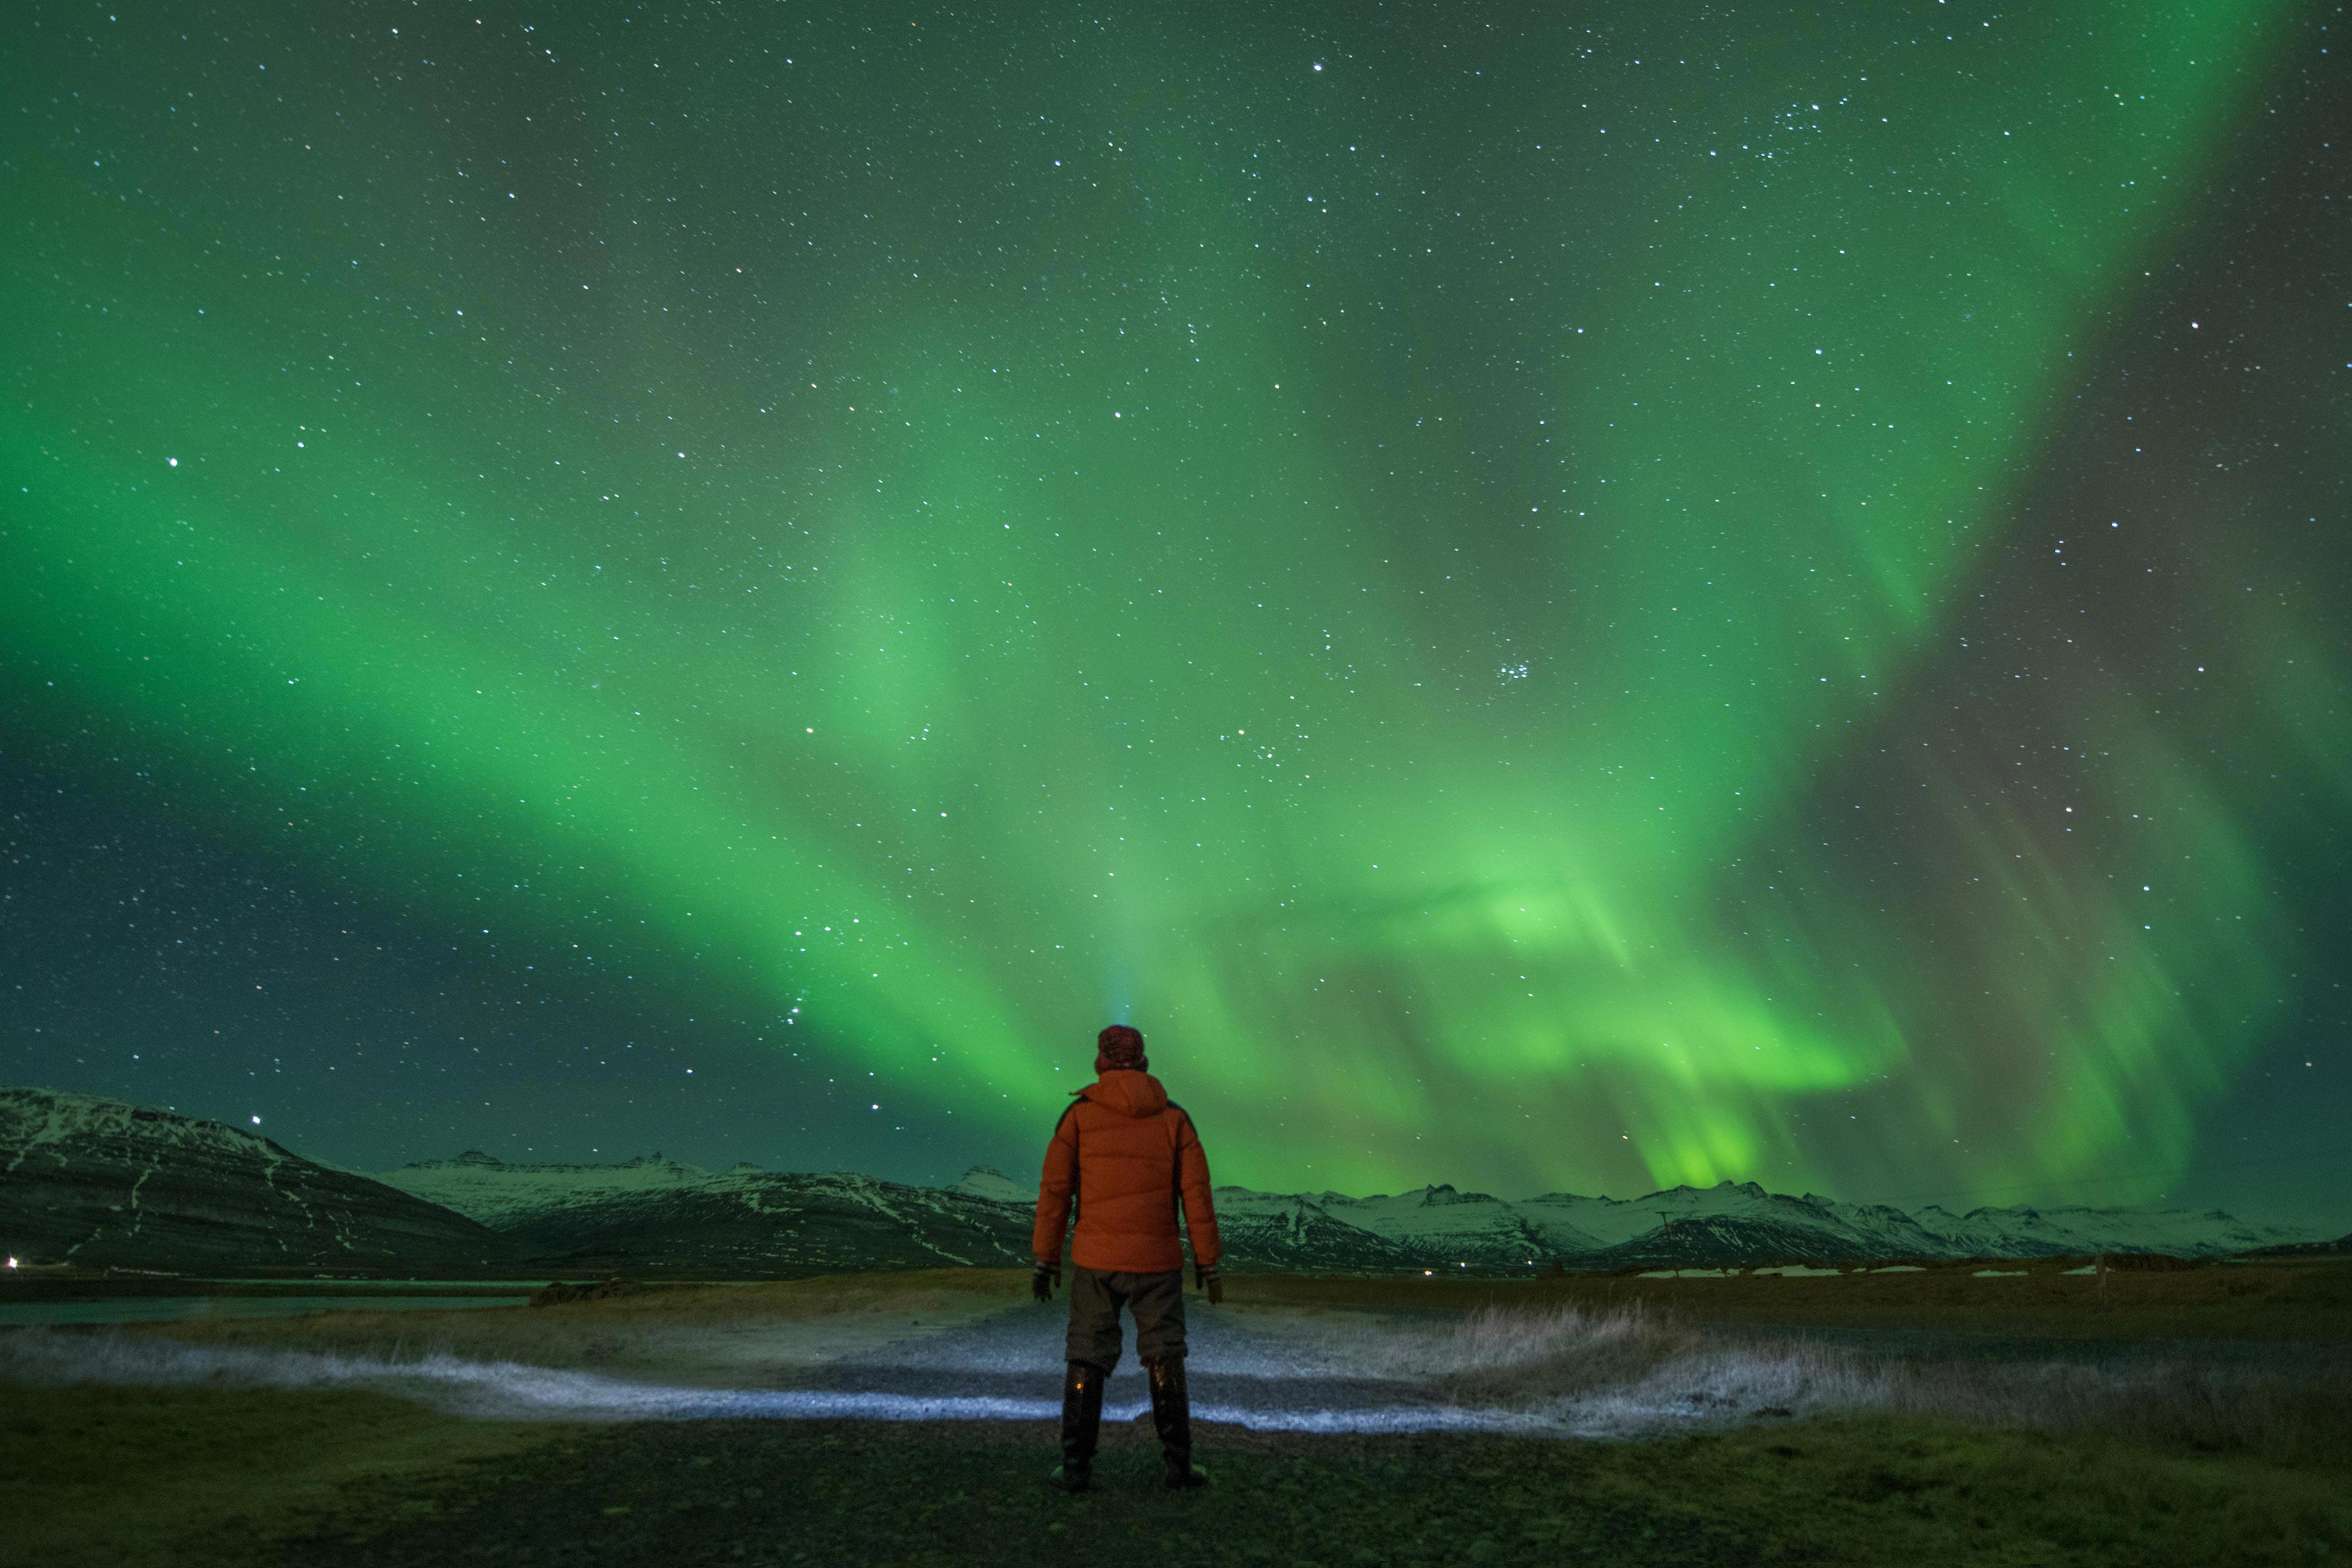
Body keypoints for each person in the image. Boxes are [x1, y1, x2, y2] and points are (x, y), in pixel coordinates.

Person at [1031, 1023, 1223, 1492]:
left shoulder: (1079, 1116)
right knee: (1165, 1355)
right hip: (1157, 1262)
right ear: (1143, 1060)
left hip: (1096, 1261)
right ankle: (1178, 1466)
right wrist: (1208, 1261)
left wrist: (1046, 1259)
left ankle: (1076, 1467)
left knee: (1086, 1356)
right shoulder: (1175, 1118)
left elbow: (1056, 1193)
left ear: (1101, 1060)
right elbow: (1195, 1195)